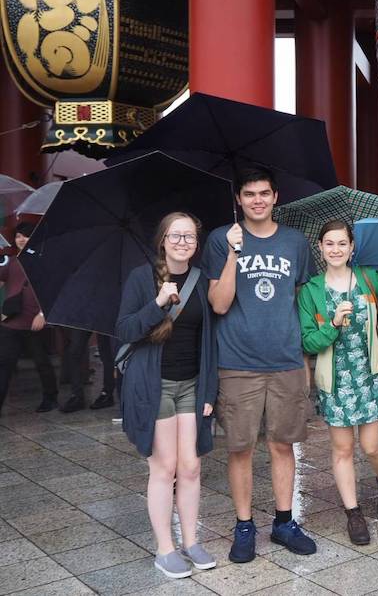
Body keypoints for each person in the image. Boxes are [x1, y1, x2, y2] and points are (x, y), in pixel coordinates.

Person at [205, 166, 317, 562]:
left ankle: (285, 522)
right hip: (237, 362)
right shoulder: (221, 239)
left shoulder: (296, 243)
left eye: (264, 193)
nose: (257, 200)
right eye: (249, 194)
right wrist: (235, 252)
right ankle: (244, 526)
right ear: (238, 198)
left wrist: (306, 358)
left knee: (283, 444)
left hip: (286, 360)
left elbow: (304, 299)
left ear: (275, 197)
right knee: (241, 448)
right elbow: (218, 303)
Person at [116, 213, 218, 579]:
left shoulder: (201, 280)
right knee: (164, 466)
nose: (182, 242)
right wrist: (157, 303)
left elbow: (210, 338)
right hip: (153, 384)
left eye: (189, 236)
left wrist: (210, 389)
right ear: (162, 240)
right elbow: (125, 329)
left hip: (192, 382)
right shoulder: (141, 278)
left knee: (191, 466)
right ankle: (165, 548)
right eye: (176, 236)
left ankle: (191, 541)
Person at [297, 219, 378, 546]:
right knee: (342, 449)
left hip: (369, 376)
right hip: (335, 381)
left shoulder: (368, 279)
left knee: (371, 447)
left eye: (342, 243)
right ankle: (353, 513)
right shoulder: (311, 291)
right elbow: (308, 342)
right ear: (320, 248)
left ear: (352, 247)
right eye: (329, 243)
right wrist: (332, 325)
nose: (336, 249)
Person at [0, 222, 58, 413]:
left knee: (41, 362)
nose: (21, 239)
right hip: (11, 321)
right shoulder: (13, 261)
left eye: (25, 236)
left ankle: (50, 398)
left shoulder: (44, 260)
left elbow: (51, 291)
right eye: (17, 236)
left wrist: (42, 314)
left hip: (34, 321)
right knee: (4, 364)